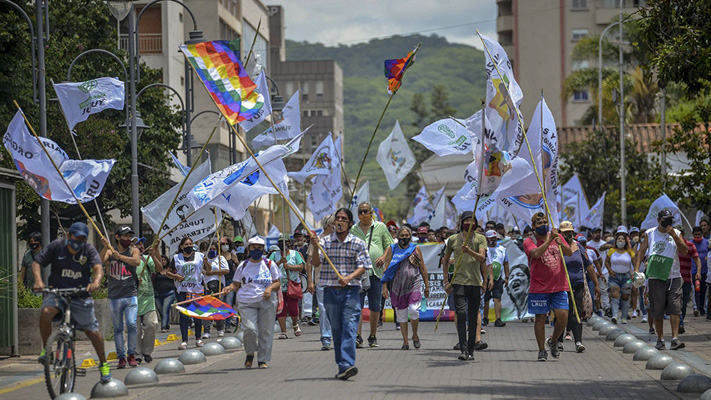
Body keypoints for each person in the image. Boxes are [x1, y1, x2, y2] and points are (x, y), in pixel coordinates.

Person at [33, 222, 111, 382]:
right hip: (57, 292)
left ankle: (103, 364)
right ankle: (46, 352)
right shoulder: (56, 246)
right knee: (46, 312)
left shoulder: (88, 250)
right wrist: (38, 281)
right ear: (69, 236)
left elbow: (98, 268)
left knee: (93, 333)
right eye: (76, 237)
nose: (79, 241)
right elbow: (37, 263)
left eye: (83, 239)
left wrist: (96, 282)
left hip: (80, 295)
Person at [311, 208, 371, 380]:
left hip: (351, 291)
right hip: (330, 291)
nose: (340, 221)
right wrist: (315, 247)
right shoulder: (325, 242)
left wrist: (349, 277)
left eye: (344, 219)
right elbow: (316, 262)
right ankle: (342, 365)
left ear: (350, 223)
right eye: (337, 218)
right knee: (337, 330)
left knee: (349, 326)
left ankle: (347, 363)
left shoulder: (358, 243)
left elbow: (364, 266)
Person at [634, 210, 688, 351]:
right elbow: (641, 252)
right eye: (665, 220)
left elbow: (684, 250)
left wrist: (674, 236)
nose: (667, 223)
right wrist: (636, 270)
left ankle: (675, 339)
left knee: (675, 308)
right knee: (657, 309)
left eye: (670, 219)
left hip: (674, 277)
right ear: (659, 220)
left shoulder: (676, 232)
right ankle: (661, 338)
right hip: (656, 277)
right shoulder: (650, 233)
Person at [523, 212, 573, 361]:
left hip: (559, 285)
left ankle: (553, 341)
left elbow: (569, 252)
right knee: (540, 318)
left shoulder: (557, 237)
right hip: (539, 287)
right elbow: (536, 254)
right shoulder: (529, 241)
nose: (543, 225)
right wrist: (549, 239)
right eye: (539, 223)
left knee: (563, 316)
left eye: (545, 222)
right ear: (533, 226)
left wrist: (559, 241)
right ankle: (541, 350)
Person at [224, 237, 280, 369]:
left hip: (266, 301)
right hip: (246, 301)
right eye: (253, 247)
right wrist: (229, 288)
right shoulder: (243, 265)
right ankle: (250, 353)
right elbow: (236, 283)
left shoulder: (270, 264)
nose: (256, 250)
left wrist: (269, 288)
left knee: (265, 331)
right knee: (250, 329)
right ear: (248, 249)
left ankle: (262, 359)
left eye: (259, 248)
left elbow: (277, 282)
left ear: (263, 249)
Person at [442, 211, 491, 361]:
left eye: (472, 220)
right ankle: (463, 349)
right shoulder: (453, 240)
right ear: (461, 223)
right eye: (467, 220)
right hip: (458, 283)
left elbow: (482, 258)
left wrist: (485, 280)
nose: (469, 223)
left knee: (473, 316)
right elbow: (445, 261)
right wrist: (446, 281)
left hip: (475, 283)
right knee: (461, 314)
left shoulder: (480, 238)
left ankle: (471, 349)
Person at [351, 201, 393, 348]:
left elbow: (389, 245)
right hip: (359, 273)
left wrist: (383, 257)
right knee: (357, 306)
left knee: (375, 306)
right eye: (360, 212)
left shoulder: (380, 227)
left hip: (376, 272)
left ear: (371, 213)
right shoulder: (353, 229)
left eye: (365, 211)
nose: (363, 214)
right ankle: (357, 336)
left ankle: (373, 335)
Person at [381, 226, 430, 350]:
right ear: (398, 237)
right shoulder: (392, 249)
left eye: (406, 236)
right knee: (401, 314)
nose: (404, 238)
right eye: (401, 236)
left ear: (410, 236)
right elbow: (386, 268)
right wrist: (384, 286)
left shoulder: (415, 248)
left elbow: (422, 267)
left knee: (414, 310)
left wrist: (427, 285)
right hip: (397, 285)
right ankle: (405, 342)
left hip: (414, 282)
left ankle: (415, 335)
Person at [100, 226, 141, 368]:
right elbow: (99, 262)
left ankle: (131, 354)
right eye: (125, 236)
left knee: (131, 323)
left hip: (131, 294)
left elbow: (136, 262)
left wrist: (121, 257)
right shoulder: (111, 251)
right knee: (117, 328)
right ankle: (121, 357)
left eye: (129, 236)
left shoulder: (134, 250)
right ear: (117, 237)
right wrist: (105, 248)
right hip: (114, 296)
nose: (128, 239)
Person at [559, 222, 600, 353]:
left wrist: (597, 284)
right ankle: (558, 341)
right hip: (561, 286)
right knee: (562, 314)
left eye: (570, 232)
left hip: (578, 285)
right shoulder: (557, 247)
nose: (568, 235)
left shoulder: (579, 247)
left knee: (576, 313)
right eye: (565, 232)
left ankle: (578, 341)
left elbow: (589, 266)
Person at [168, 236, 206, 350]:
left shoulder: (200, 256)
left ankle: (198, 338)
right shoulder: (176, 258)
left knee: (197, 314)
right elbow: (168, 273)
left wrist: (207, 263)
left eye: (190, 244)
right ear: (181, 246)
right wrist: (175, 276)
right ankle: (184, 340)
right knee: (183, 315)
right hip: (182, 290)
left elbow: (207, 270)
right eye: (186, 244)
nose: (189, 246)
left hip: (196, 290)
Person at [307, 216, 335, 350]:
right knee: (323, 309)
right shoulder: (316, 240)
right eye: (334, 223)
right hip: (321, 280)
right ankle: (326, 337)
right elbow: (309, 262)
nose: (337, 225)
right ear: (328, 225)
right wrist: (310, 281)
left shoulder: (339, 240)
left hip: (337, 280)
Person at [271, 236, 306, 339]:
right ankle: (283, 331)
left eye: (286, 242)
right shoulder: (274, 255)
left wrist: (289, 267)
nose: (284, 245)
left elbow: (301, 266)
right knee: (281, 308)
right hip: (280, 286)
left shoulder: (295, 254)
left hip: (293, 283)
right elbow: (268, 266)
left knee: (293, 307)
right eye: (281, 242)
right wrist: (279, 263)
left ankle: (295, 324)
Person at [134, 239, 162, 363]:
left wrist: (155, 253)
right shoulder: (126, 260)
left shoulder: (146, 259)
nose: (140, 246)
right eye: (136, 244)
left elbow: (159, 268)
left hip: (148, 300)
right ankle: (136, 354)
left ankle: (146, 351)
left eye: (141, 244)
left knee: (151, 324)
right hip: (132, 300)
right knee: (135, 330)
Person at [605, 230, 635, 324]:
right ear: (616, 241)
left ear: (625, 241)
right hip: (614, 276)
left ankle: (624, 317)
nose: (620, 240)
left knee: (625, 296)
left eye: (622, 239)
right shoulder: (611, 251)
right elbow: (606, 262)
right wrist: (610, 271)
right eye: (619, 239)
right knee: (615, 296)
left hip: (627, 277)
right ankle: (614, 315)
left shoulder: (629, 252)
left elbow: (635, 262)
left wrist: (634, 273)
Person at [202, 242, 229, 338]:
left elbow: (226, 270)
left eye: (214, 249)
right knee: (206, 309)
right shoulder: (205, 259)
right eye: (211, 249)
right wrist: (205, 263)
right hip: (207, 286)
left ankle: (220, 328)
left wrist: (213, 272)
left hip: (218, 285)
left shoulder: (220, 259)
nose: (212, 251)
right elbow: (205, 271)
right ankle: (206, 330)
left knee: (218, 308)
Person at [483, 230, 509, 328]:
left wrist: (506, 277)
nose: (492, 240)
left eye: (494, 238)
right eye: (490, 238)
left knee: (497, 298)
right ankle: (485, 318)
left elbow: (506, 264)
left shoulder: (502, 249)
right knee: (485, 299)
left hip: (498, 278)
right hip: (485, 277)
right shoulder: (483, 249)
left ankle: (498, 319)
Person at [678, 229, 700, 334]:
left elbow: (697, 259)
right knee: (675, 302)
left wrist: (698, 272)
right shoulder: (672, 246)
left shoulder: (690, 245)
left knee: (684, 303)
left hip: (686, 279)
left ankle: (680, 321)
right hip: (674, 279)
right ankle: (680, 323)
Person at [219, 236, 239, 329]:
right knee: (221, 302)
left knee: (228, 302)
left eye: (226, 244)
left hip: (230, 281)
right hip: (221, 281)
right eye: (222, 244)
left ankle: (227, 324)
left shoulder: (232, 255)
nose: (224, 246)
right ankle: (221, 323)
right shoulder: (217, 256)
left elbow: (239, 267)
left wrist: (236, 261)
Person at [154, 255, 176, 332]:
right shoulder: (156, 271)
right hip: (158, 294)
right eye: (161, 260)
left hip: (169, 293)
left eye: (164, 260)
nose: (162, 262)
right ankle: (166, 323)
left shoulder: (170, 271)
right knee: (160, 311)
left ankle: (163, 327)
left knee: (165, 310)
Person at [691, 226, 709, 317]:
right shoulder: (691, 244)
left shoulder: (706, 243)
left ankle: (701, 307)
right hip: (694, 270)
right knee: (696, 288)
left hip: (705, 270)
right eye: (695, 235)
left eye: (699, 234)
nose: (697, 236)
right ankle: (696, 307)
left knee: (703, 290)